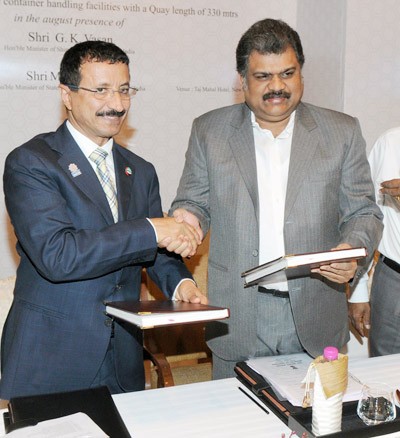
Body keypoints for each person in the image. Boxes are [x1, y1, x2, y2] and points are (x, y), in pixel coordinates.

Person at [170, 18, 383, 379]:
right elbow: (195, 202)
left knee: (319, 426)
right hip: (237, 315)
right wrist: (186, 220)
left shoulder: (342, 131)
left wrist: (352, 251)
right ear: (242, 80)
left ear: (301, 73)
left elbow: (364, 212)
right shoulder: (209, 130)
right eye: (263, 76)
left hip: (315, 313)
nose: (277, 87)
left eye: (287, 73)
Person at [0, 40, 206, 400]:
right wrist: (152, 227)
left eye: (125, 90)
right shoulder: (31, 163)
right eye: (101, 90)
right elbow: (58, 255)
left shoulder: (140, 171)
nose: (117, 104)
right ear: (67, 94)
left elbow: (152, 252)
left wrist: (180, 286)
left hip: (122, 360)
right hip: (50, 360)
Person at [348, 127, 400, 356]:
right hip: (394, 282)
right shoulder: (392, 143)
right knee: (385, 375)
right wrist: (358, 291)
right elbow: (366, 216)